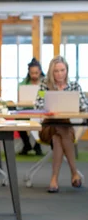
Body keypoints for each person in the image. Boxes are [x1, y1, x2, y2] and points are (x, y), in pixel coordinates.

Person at [35, 55, 88, 193]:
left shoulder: (74, 86)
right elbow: (38, 105)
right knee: (60, 129)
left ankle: (54, 179)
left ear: (67, 71)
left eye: (62, 70)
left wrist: (74, 104)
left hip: (65, 126)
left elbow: (84, 106)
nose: (60, 74)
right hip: (47, 126)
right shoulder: (44, 85)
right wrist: (49, 110)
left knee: (58, 136)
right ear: (51, 72)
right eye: (56, 71)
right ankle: (74, 173)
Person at [18, 58, 45, 156]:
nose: (34, 75)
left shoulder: (44, 83)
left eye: (36, 73)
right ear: (29, 72)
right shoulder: (24, 83)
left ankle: (38, 146)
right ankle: (27, 144)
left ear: (40, 72)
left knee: (42, 121)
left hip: (40, 111)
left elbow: (44, 98)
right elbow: (20, 98)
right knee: (18, 120)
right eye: (32, 73)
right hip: (27, 109)